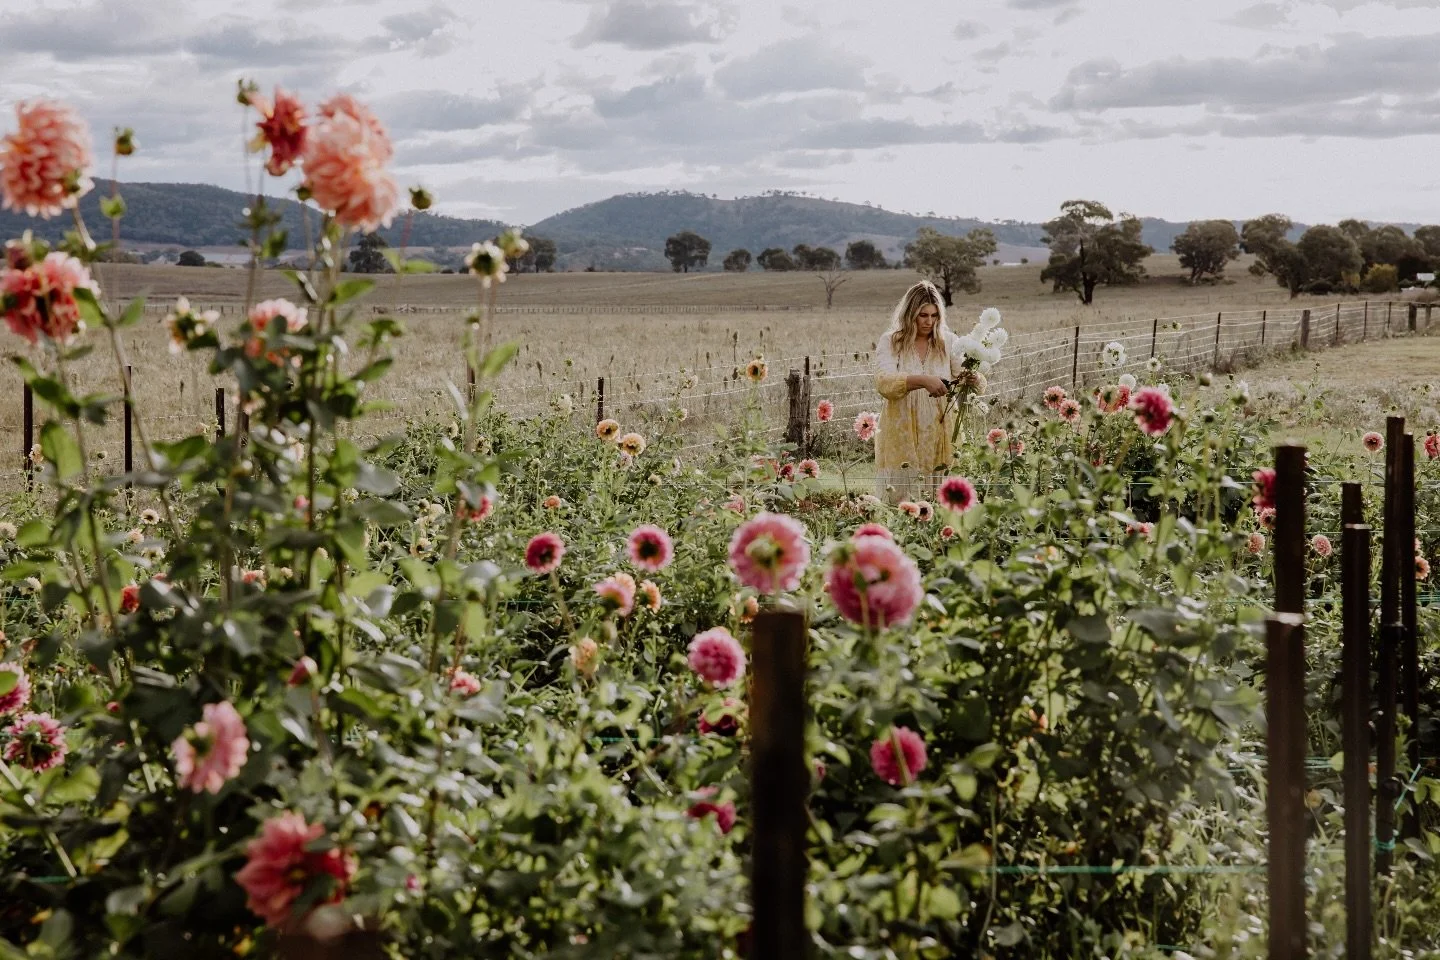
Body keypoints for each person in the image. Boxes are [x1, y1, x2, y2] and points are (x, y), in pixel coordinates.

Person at [873, 280, 967, 501]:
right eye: (923, 315)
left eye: (934, 316)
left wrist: (972, 377)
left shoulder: (948, 342)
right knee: (900, 496)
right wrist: (923, 380)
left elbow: (962, 376)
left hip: (940, 424)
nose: (929, 321)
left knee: (941, 493)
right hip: (902, 424)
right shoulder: (891, 342)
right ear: (910, 313)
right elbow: (884, 382)